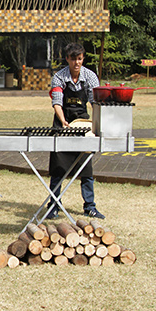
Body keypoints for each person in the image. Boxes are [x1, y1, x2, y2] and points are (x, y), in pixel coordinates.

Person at [47, 42, 105, 220]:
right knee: (58, 168)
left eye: (79, 59)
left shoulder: (90, 77)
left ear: (83, 59)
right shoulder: (59, 77)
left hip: (82, 124)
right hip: (61, 123)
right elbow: (56, 101)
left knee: (86, 168)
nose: (76, 63)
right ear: (67, 59)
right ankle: (54, 205)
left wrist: (95, 125)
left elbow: (95, 102)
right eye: (73, 59)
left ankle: (90, 206)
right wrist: (63, 121)